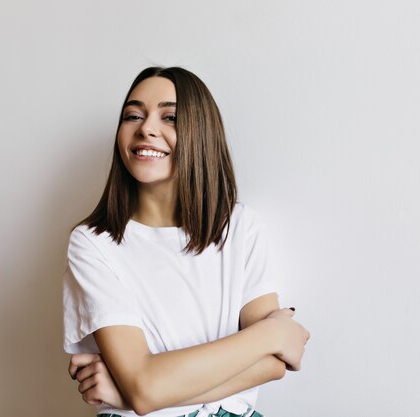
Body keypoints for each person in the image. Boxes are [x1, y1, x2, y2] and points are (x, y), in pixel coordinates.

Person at [62, 66, 310, 417]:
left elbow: (275, 363)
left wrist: (138, 392)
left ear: (201, 133)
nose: (146, 128)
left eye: (170, 117)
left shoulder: (239, 228)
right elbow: (145, 389)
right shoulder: (93, 243)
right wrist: (269, 334)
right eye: (133, 115)